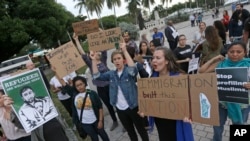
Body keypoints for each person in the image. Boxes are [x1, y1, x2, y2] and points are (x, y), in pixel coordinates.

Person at [92, 42, 149, 141]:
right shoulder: (111, 74)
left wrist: (124, 50)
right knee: (131, 132)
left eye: (119, 58)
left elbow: (133, 69)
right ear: (112, 62)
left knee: (141, 130)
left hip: (133, 107)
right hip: (120, 109)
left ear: (123, 60)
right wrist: (93, 60)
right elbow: (97, 76)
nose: (117, 61)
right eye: (114, 59)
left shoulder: (128, 72)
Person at [198, 41, 250, 141]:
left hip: (242, 105)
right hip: (222, 103)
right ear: (227, 52)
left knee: (239, 127)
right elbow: (201, 71)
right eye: (231, 51)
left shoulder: (248, 64)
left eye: (239, 52)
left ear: (245, 52)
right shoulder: (221, 63)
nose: (235, 54)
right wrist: (214, 59)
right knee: (217, 127)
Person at [142, 47, 194, 141]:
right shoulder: (152, 80)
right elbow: (151, 101)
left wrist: (189, 113)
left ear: (166, 61)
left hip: (176, 121)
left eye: (158, 58)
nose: (154, 60)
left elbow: (190, 101)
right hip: (160, 120)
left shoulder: (180, 78)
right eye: (153, 58)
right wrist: (145, 110)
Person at [73, 34, 119, 131]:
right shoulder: (91, 63)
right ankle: (115, 121)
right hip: (101, 89)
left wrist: (102, 33)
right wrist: (76, 40)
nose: (96, 52)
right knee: (109, 105)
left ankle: (124, 120)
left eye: (97, 51)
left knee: (117, 102)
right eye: (93, 52)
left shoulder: (103, 59)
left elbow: (103, 46)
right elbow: (82, 54)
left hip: (110, 86)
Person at [24, 61, 69, 141]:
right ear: (27, 68)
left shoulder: (39, 71)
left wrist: (47, 92)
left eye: (32, 64)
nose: (32, 66)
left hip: (45, 96)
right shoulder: (25, 77)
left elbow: (45, 82)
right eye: (30, 66)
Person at [71, 76, 110, 141]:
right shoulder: (75, 96)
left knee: (103, 135)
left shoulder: (92, 93)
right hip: (85, 123)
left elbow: (100, 107)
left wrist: (100, 121)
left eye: (81, 84)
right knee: (94, 138)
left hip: (96, 121)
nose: (79, 87)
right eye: (77, 86)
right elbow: (65, 86)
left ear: (85, 83)